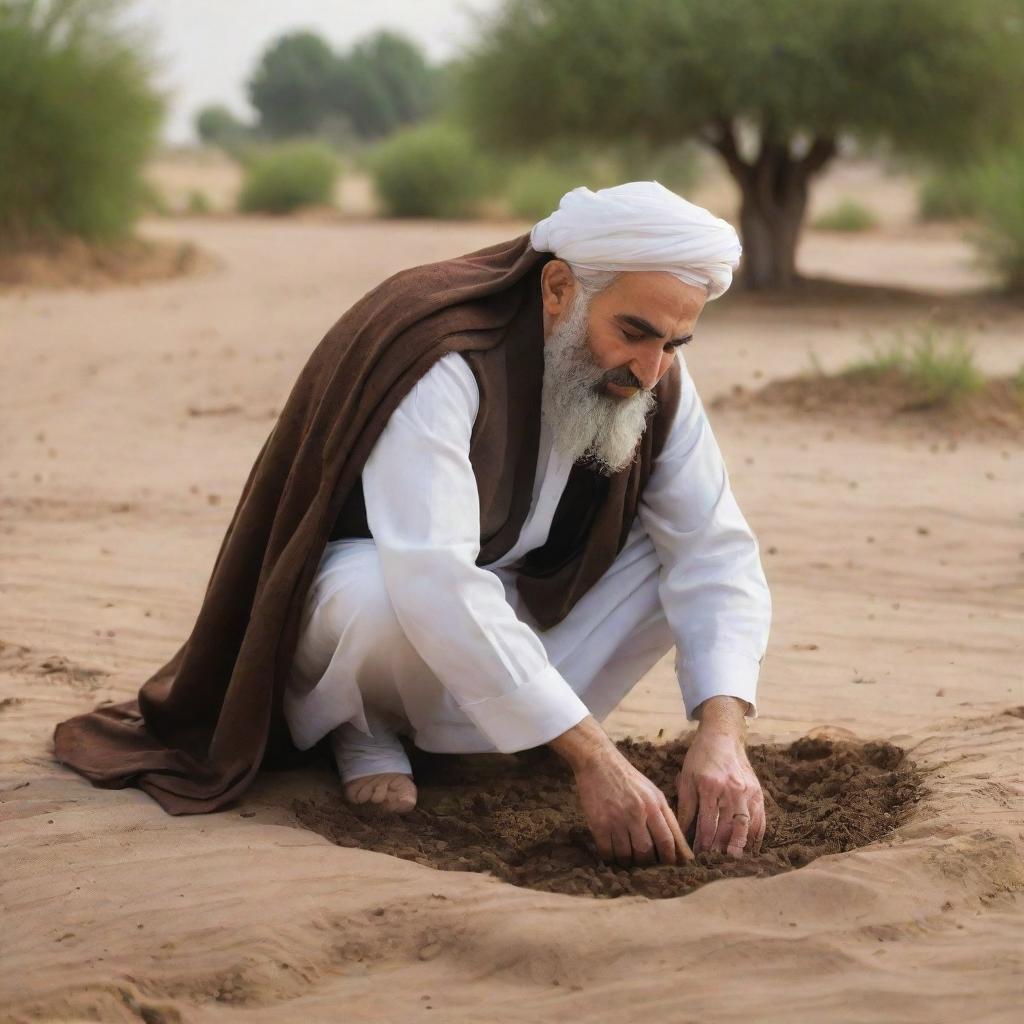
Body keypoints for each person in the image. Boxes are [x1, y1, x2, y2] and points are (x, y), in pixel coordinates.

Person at [282, 182, 772, 867]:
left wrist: (723, 735)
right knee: (376, 592)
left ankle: (507, 731)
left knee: (673, 558)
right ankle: (367, 731)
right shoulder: (444, 357)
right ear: (558, 290)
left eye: (673, 342)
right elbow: (437, 578)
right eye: (633, 332)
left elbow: (715, 552)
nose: (649, 368)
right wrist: (595, 759)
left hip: (520, 600)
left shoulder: (658, 376)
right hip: (384, 602)